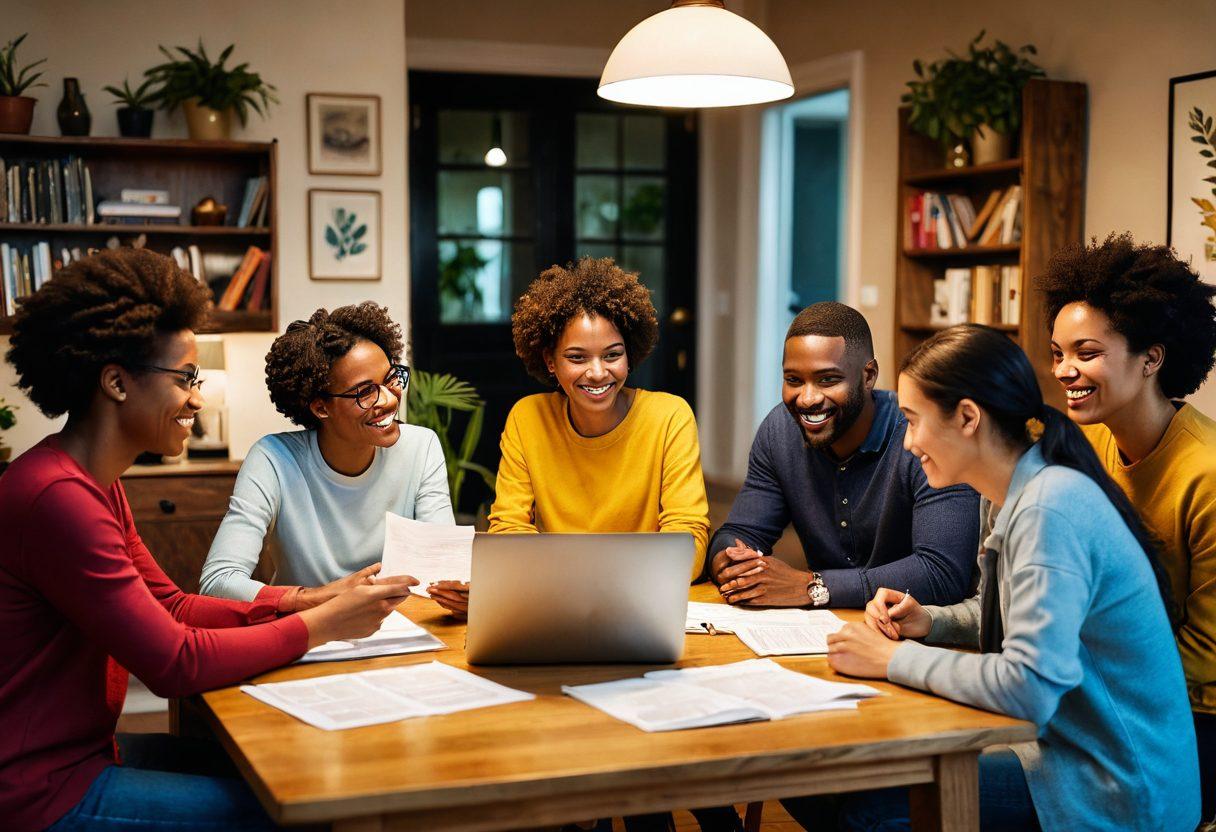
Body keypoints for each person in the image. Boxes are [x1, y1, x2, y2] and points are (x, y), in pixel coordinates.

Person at [0, 249, 416, 832]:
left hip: (84, 757)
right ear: (117, 382)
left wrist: (309, 600)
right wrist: (325, 625)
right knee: (309, 811)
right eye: (185, 378)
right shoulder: (57, 499)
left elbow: (172, 607)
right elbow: (173, 661)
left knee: (302, 773)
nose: (198, 398)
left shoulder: (93, 484)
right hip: (43, 793)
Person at [822, 323, 1199, 831]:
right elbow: (1011, 616)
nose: (908, 443)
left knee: (868, 806)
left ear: (968, 418)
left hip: (1117, 789)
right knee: (835, 784)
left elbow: (1028, 687)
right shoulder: (1017, 490)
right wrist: (926, 623)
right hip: (1070, 753)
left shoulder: (1049, 507)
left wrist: (894, 659)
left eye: (913, 422)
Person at [428, 257, 722, 832]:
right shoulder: (528, 418)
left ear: (631, 353)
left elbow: (688, 536)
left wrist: (580, 579)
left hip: (643, 630)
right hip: (549, 630)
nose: (597, 373)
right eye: (576, 357)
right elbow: (509, 526)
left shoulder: (669, 417)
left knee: (651, 778)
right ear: (548, 360)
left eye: (612, 354)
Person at [1036, 233, 1216, 820]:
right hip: (1105, 695)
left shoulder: (1207, 475)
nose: (1064, 370)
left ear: (1151, 358)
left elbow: (1211, 656)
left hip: (1192, 727)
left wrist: (1077, 682)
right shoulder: (1086, 443)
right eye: (1057, 352)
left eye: (1085, 353)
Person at [708, 302, 978, 610]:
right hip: (818, 632)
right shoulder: (779, 432)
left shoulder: (922, 436)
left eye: (827, 380)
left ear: (868, 375)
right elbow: (742, 530)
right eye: (793, 380)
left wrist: (812, 587)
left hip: (921, 637)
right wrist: (731, 562)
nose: (807, 398)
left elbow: (942, 574)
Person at [200, 302, 453, 603]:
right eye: (364, 391)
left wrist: (458, 589)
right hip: (307, 633)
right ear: (321, 407)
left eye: (389, 379)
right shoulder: (274, 459)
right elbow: (218, 581)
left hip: (400, 627)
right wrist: (320, 598)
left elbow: (443, 566)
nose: (388, 399)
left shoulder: (421, 447)